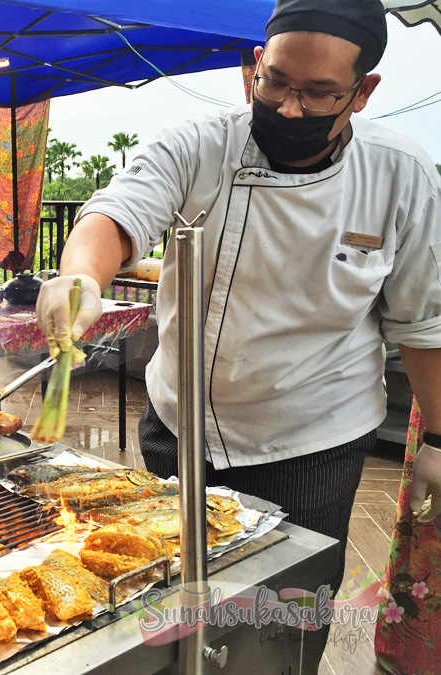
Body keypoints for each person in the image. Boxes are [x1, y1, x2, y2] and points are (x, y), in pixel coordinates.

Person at [38, 0, 441, 635]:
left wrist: (438, 443)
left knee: (284, 618)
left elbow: (426, 323)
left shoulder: (401, 175)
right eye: (275, 81)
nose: (287, 108)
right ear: (253, 67)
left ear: (362, 94)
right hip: (181, 426)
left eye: (317, 95)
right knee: (176, 607)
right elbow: (117, 212)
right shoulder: (198, 146)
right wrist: (81, 277)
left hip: (313, 442)